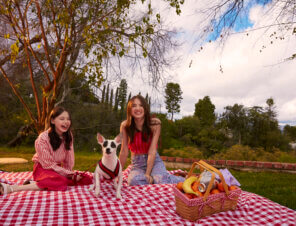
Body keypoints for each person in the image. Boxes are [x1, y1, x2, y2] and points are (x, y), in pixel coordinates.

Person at [0, 106, 92, 195]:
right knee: (61, 182)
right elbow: (48, 164)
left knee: (86, 179)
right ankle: (12, 188)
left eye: (68, 119)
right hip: (42, 168)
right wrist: (69, 175)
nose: (66, 122)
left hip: (57, 169)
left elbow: (69, 160)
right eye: (62, 119)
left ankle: (35, 183)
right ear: (52, 120)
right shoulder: (43, 138)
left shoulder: (68, 135)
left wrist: (71, 174)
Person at [119, 95, 184, 186]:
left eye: (141, 105)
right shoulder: (125, 126)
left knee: (160, 180)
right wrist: (118, 173)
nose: (138, 108)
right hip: (137, 164)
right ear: (129, 109)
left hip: (154, 161)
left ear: (145, 108)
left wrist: (147, 174)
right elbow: (124, 151)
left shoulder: (155, 124)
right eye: (134, 106)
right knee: (133, 181)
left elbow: (152, 151)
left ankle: (182, 179)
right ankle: (160, 178)